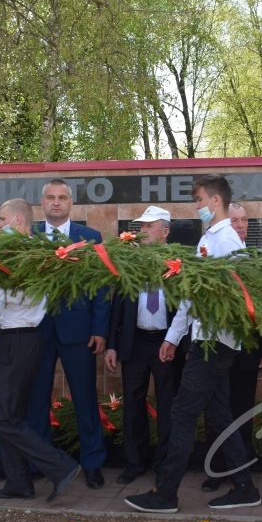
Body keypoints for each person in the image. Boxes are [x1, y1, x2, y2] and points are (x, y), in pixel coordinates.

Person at [125, 175, 262, 513]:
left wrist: (187, 336)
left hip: (214, 342)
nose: (196, 206)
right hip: (205, 338)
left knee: (183, 413)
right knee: (217, 414)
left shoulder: (226, 240)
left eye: (199, 200)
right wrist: (173, 337)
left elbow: (236, 295)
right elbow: (192, 293)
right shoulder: (211, 238)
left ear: (215, 201)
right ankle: (245, 486)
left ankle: (166, 493)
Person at [0, 198, 81, 501]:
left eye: (1, 219)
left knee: (7, 418)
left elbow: (7, 301)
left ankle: (60, 466)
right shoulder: (28, 254)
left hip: (19, 339)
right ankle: (19, 482)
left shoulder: (21, 256)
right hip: (22, 338)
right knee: (10, 414)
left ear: (18, 221)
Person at [29, 179, 110, 490]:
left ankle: (93, 463)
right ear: (42, 202)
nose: (56, 203)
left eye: (62, 198)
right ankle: (42, 463)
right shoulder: (31, 237)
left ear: (71, 203)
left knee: (85, 398)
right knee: (37, 400)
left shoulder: (89, 238)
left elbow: (100, 287)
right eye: (50, 197)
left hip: (78, 332)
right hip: (37, 332)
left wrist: (99, 329)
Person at [201, 202, 262, 493]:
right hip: (218, 347)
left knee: (242, 411)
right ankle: (216, 470)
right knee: (216, 411)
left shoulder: (256, 259)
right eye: (235, 220)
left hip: (247, 353)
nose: (241, 225)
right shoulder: (212, 256)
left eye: (244, 220)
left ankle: (240, 469)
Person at [105, 206, 180, 485]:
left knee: (167, 403)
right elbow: (117, 306)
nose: (143, 231)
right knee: (133, 403)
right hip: (135, 342)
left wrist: (174, 340)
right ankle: (135, 463)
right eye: (142, 226)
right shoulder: (130, 262)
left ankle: (164, 463)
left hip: (166, 343)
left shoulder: (178, 261)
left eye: (149, 226)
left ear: (165, 231)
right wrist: (112, 344)